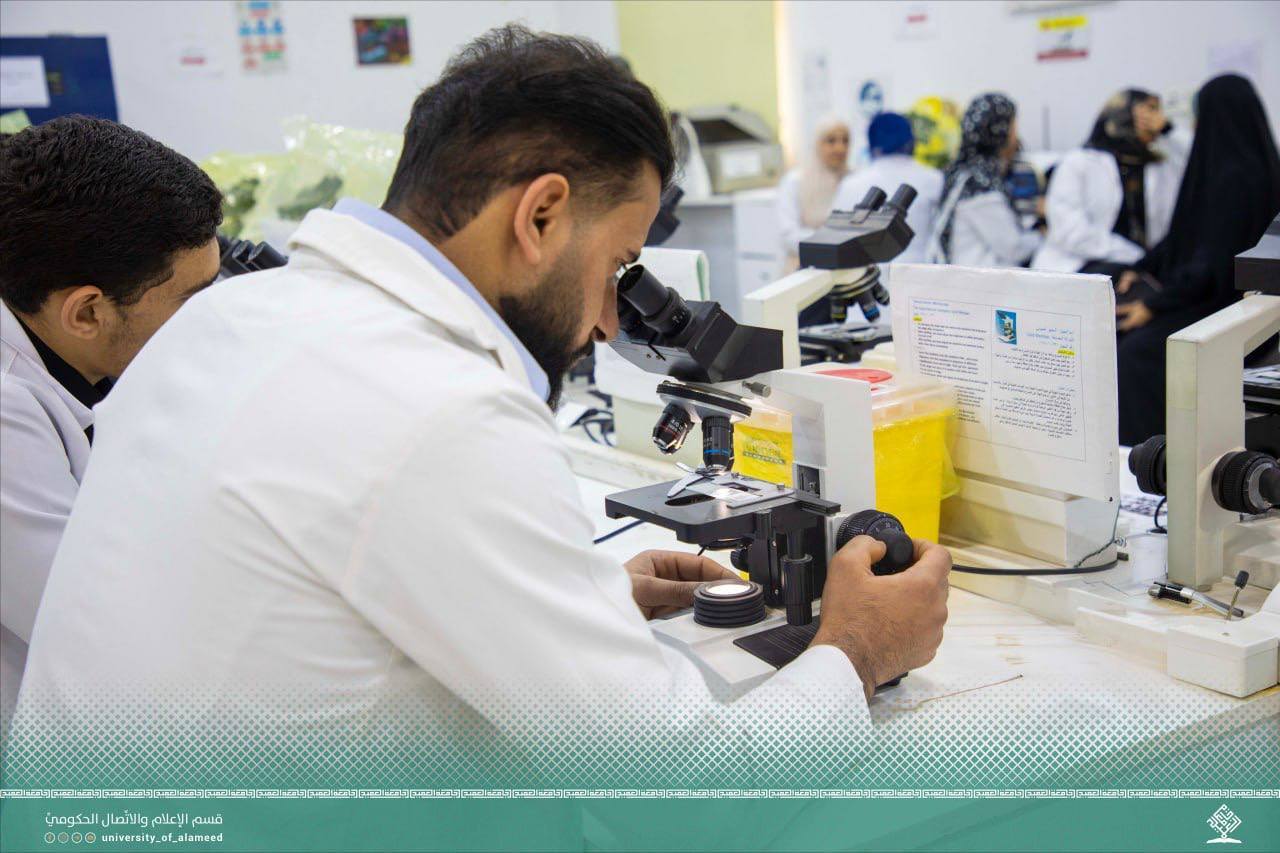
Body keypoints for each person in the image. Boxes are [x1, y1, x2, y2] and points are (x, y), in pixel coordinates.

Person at [15, 27, 950, 776]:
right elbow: (681, 797)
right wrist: (857, 650)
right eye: (617, 264)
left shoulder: (229, 318)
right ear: (540, 216)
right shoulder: (443, 408)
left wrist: (565, 605)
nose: (609, 320)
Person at [0, 117, 222, 723]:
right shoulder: (8, 415)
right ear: (87, 313)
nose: (215, 316)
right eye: (193, 299)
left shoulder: (61, 339)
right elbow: (94, 630)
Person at [1114, 74, 1280, 445]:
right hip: (1227, 298)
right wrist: (1139, 268)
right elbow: (1184, 236)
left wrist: (1153, 306)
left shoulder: (1232, 179)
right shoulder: (1253, 166)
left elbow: (1211, 266)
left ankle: (1151, 460)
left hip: (1223, 305)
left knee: (1137, 354)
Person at [1033, 89, 1191, 274]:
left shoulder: (1159, 166)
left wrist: (1169, 130)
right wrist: (1134, 256)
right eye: (1149, 111)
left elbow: (1200, 163)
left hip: (1143, 267)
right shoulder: (1079, 162)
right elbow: (1071, 232)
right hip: (1083, 265)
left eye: (1158, 112)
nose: (1157, 118)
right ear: (1123, 116)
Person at [927, 93, 1042, 267]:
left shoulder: (959, 172)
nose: (1016, 138)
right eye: (1013, 127)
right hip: (974, 280)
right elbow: (1013, 247)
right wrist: (1043, 232)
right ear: (1000, 132)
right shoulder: (979, 184)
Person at [833, 111, 943, 265]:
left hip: (868, 274)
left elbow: (837, 237)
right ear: (911, 140)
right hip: (920, 271)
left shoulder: (851, 184)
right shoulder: (935, 179)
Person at [776, 115, 851, 272]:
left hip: (846, 270)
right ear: (816, 144)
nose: (840, 148)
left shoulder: (852, 181)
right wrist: (830, 241)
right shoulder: (795, 181)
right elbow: (788, 235)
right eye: (831, 141)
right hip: (803, 270)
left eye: (845, 141)